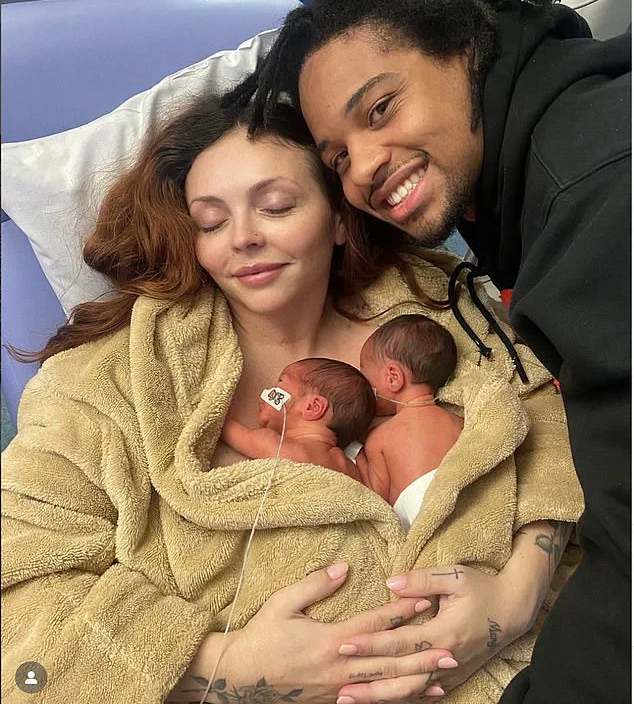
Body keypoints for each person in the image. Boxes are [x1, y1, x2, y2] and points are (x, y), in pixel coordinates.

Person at [1, 92, 583, 704]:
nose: (243, 238)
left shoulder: (433, 308)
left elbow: (553, 425)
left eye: (275, 207)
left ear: (338, 218)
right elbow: (17, 601)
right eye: (211, 222)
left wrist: (516, 596)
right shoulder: (108, 382)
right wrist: (228, 668)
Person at [235, 0, 630, 701]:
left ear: (466, 47)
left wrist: (519, 596)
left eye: (380, 109)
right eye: (337, 159)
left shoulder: (596, 199)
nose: (363, 170)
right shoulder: (524, 193)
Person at [355, 314, 464, 529]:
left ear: (393, 377)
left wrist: (352, 450)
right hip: (464, 507)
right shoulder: (457, 421)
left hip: (422, 520)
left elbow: (373, 498)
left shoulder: (379, 437)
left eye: (364, 377)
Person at [222, 357, 374, 479]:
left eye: (280, 383)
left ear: (312, 407)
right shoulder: (348, 466)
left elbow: (221, 424)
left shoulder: (273, 444)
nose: (268, 392)